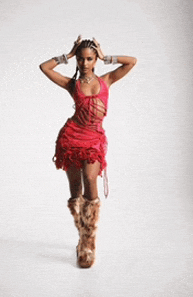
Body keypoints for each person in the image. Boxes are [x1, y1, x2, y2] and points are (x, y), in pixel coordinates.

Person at [39, 35, 137, 268]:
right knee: (75, 191)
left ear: (95, 60)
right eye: (81, 59)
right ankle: (82, 237)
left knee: (90, 179)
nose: (84, 63)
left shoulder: (107, 80)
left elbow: (131, 61)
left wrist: (106, 56)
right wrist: (69, 54)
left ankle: (88, 243)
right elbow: (44, 67)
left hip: (93, 138)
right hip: (71, 138)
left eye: (89, 59)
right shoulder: (73, 84)